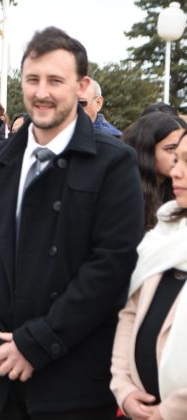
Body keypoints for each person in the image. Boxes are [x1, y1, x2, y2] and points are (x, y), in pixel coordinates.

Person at [0, 27, 144, 420]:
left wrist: (35, 344)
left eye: (55, 80)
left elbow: (111, 266)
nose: (42, 92)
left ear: (81, 84)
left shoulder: (113, 162)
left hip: (72, 383)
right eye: (32, 80)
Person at [110, 134, 187, 420]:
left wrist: (169, 412)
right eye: (176, 159)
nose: (176, 171)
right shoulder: (163, 237)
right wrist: (123, 388)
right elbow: (130, 313)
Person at [122, 112, 187, 232]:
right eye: (171, 149)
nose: (176, 158)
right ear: (147, 150)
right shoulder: (124, 192)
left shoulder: (179, 188)